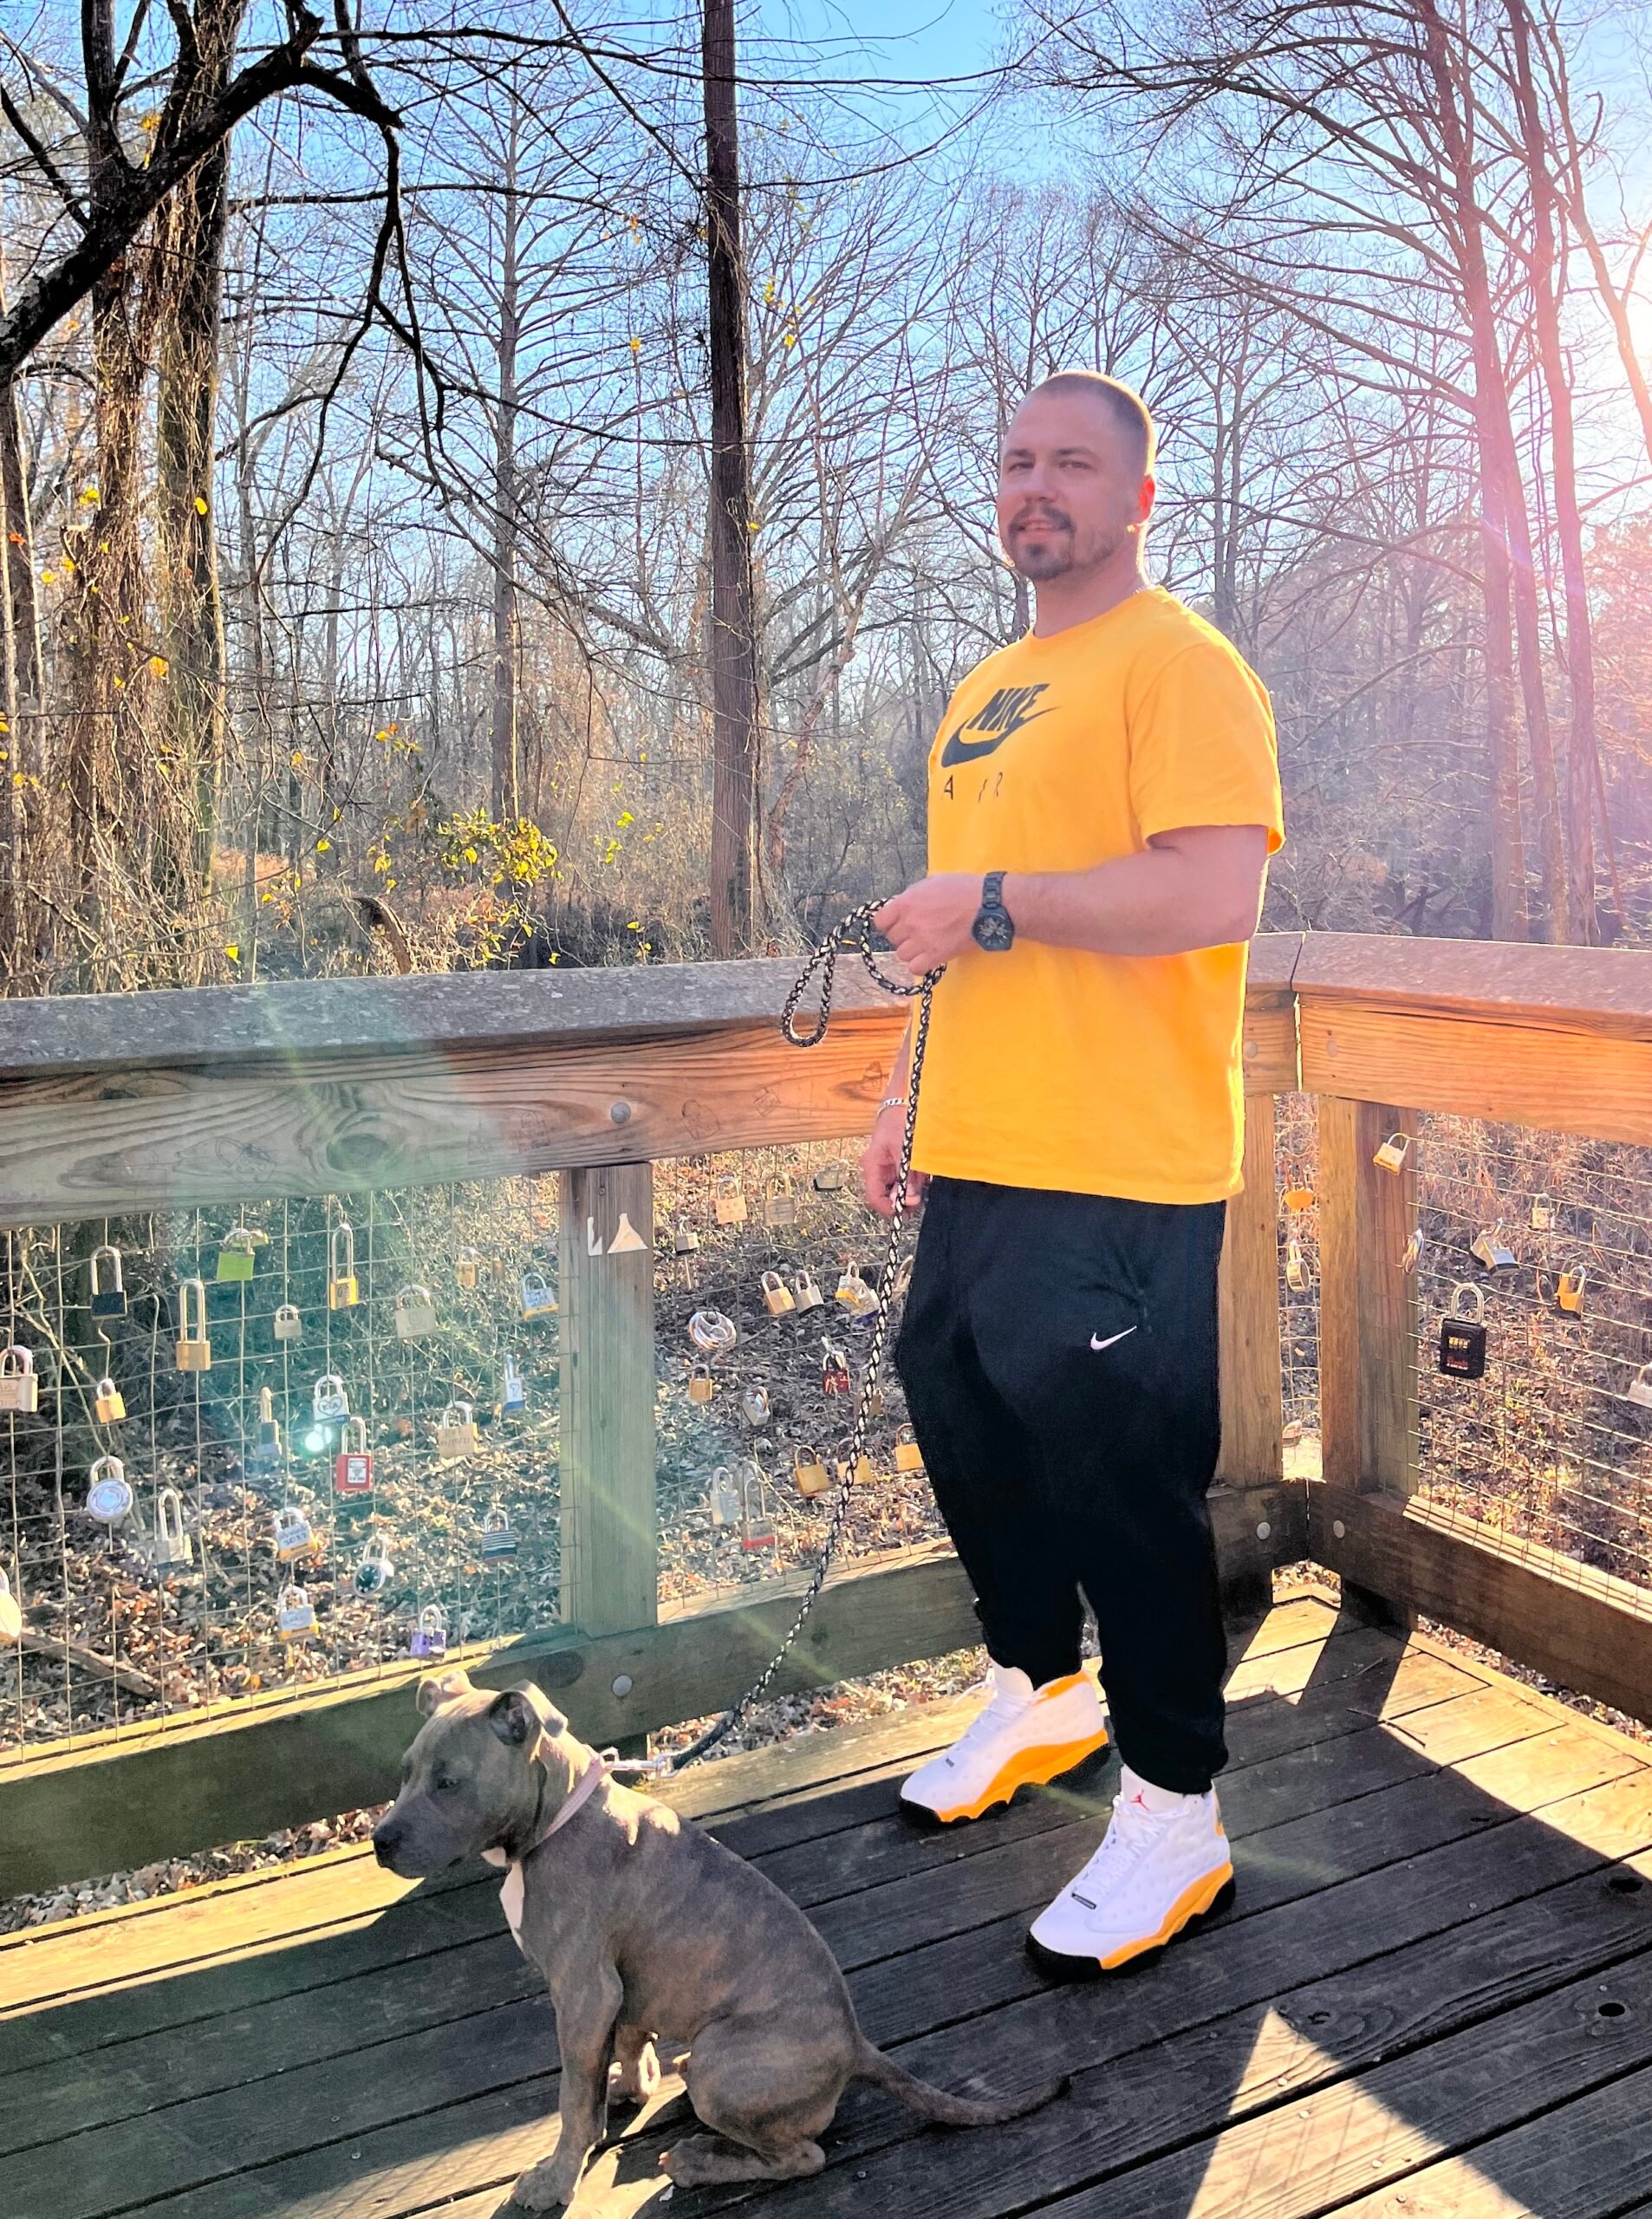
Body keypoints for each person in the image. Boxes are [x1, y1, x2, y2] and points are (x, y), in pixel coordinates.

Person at [866, 369, 1284, 1979]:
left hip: (1118, 1162)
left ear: (1136, 498)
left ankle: (1176, 1813)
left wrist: (989, 901)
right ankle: (1035, 1693)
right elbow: (962, 934)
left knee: (1122, 1483)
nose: (1035, 486)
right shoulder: (985, 685)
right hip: (979, 1141)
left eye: (1073, 464)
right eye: (1015, 461)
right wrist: (904, 1088)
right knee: (960, 1416)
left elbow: (1211, 895)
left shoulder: (1181, 665)